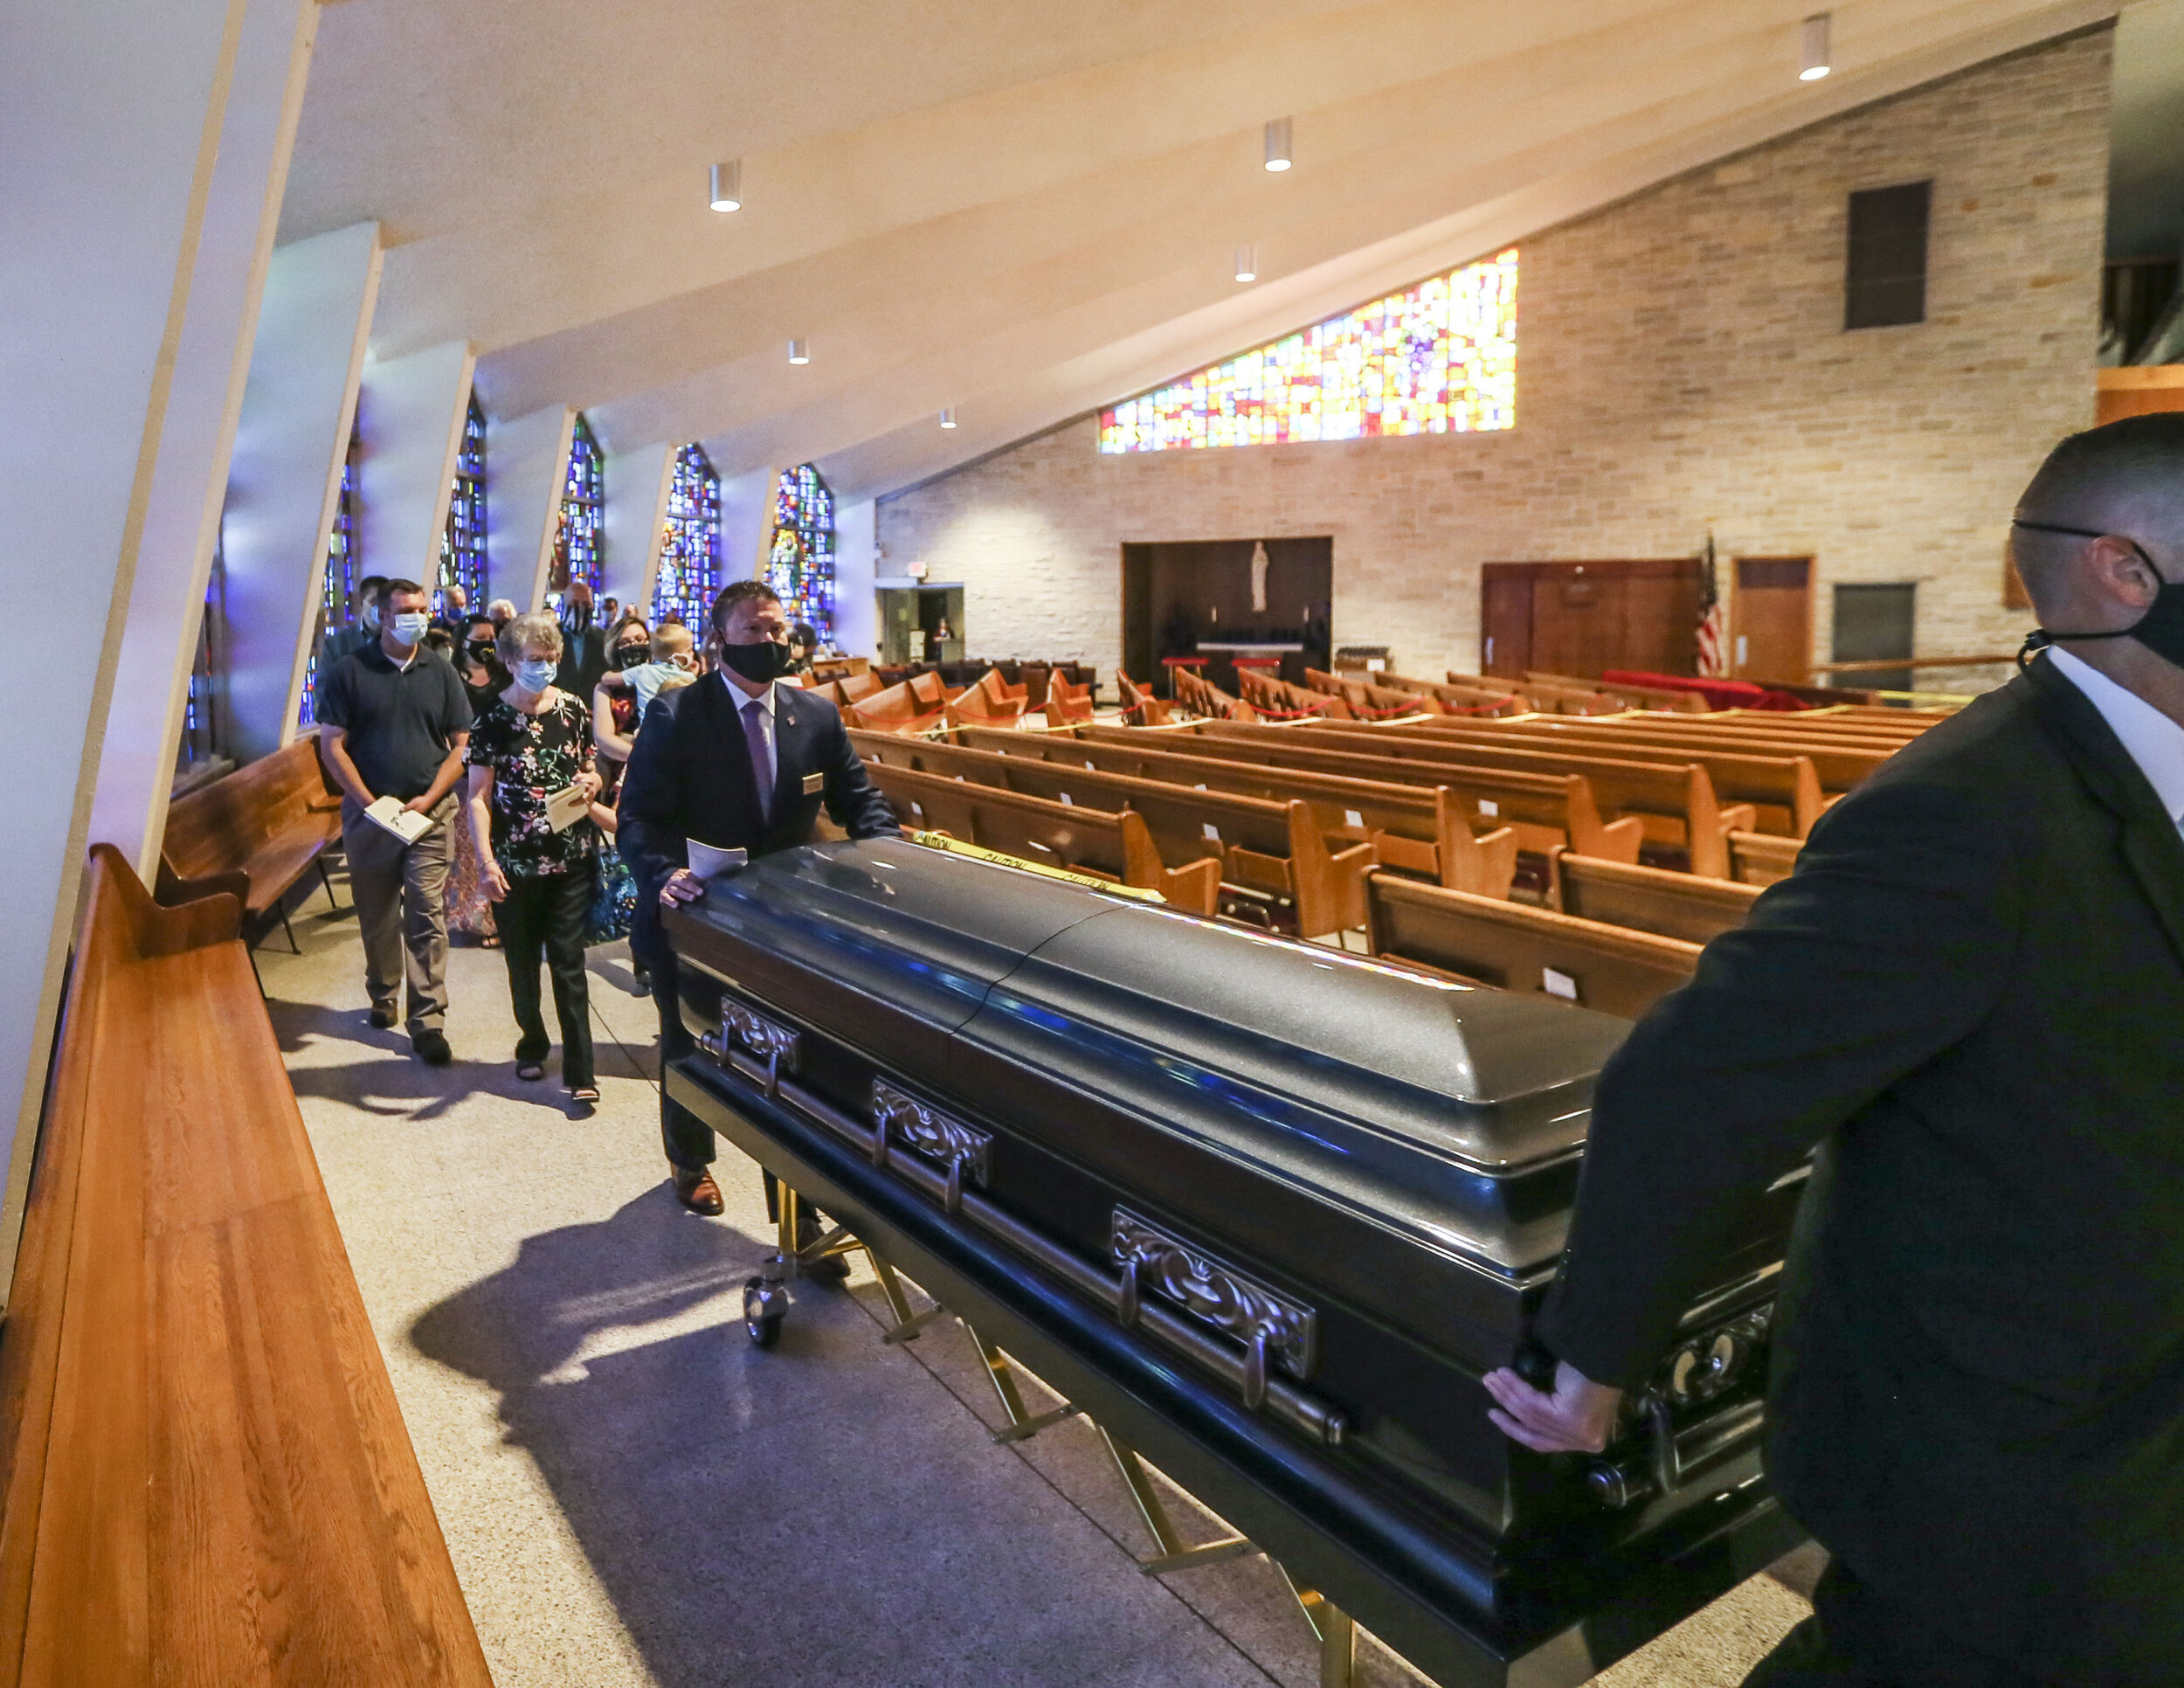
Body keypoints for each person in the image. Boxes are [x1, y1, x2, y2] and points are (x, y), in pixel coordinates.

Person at [1482, 412, 2184, 1688]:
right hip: (2016, 1442)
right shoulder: (1964, 809)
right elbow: (1696, 1081)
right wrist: (1594, 1361)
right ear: (2126, 573)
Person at [618, 578, 899, 1214]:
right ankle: (690, 1163)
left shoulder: (815, 715)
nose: (771, 641)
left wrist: (891, 858)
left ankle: (796, 1212)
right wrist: (663, 874)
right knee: (688, 1043)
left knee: (794, 1065)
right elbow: (638, 818)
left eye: (777, 629)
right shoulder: (676, 714)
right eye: (755, 631)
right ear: (719, 640)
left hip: (787, 925)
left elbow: (861, 802)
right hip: (696, 912)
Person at [314, 578, 474, 1064]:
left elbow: (462, 744)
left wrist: (429, 798)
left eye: (423, 609)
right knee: (377, 912)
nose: (417, 618)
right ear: (382, 617)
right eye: (407, 610)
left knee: (426, 911)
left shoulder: (440, 672)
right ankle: (383, 991)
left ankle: (428, 1019)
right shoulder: (351, 670)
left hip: (429, 813)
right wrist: (368, 802)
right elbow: (332, 742)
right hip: (370, 816)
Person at [466, 612, 605, 1105]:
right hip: (514, 863)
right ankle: (532, 1041)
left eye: (550, 660)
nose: (543, 668)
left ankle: (581, 1069)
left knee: (568, 961)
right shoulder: (492, 718)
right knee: (522, 961)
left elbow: (589, 767)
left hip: (571, 858)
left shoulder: (570, 707)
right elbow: (478, 797)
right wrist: (485, 863)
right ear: (508, 661)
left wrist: (593, 782)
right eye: (533, 660)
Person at [447, 615, 510, 945]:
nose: (486, 644)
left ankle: (493, 920)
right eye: (479, 638)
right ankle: (465, 917)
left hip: (501, 770)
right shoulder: (451, 677)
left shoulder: (503, 675)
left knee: (494, 843)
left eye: (491, 638)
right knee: (467, 850)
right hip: (463, 772)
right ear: (463, 642)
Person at [321, 574, 389, 666]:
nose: (380, 608)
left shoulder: (400, 640)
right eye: (374, 601)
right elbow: (325, 679)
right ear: (362, 603)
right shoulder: (337, 644)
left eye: (385, 602)